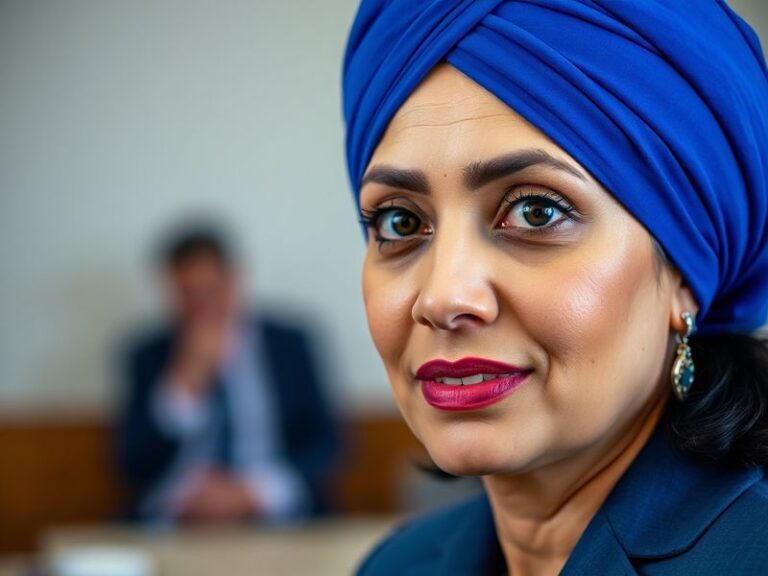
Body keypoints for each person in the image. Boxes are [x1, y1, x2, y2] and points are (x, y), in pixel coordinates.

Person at [342, 1, 768, 574]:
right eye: (399, 222)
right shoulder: (399, 565)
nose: (443, 298)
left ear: (685, 274)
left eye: (537, 212)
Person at [116, 225, 341, 525]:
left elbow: (326, 443)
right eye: (189, 294)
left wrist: (253, 493)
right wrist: (183, 389)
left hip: (277, 517)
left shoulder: (289, 344)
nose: (202, 307)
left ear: (235, 280)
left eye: (211, 291)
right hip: (177, 519)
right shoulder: (147, 354)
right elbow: (133, 463)